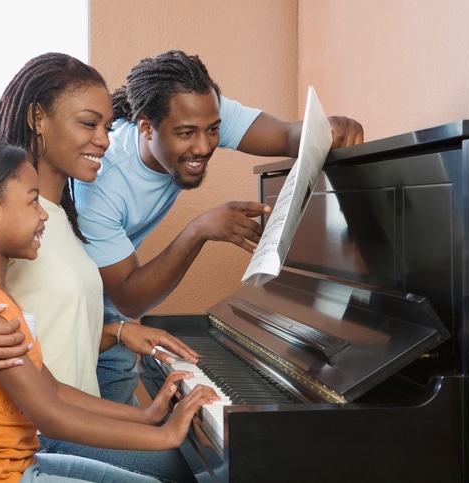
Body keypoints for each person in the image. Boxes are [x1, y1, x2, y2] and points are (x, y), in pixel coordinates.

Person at [0, 53, 203, 482]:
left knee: (189, 459)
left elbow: (52, 348)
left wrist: (119, 334)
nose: (104, 139)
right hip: (43, 429)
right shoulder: (2, 234)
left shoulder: (53, 219)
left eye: (107, 126)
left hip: (57, 412)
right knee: (186, 467)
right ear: (38, 118)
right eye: (89, 124)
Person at [72, 50, 365, 405]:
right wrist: (198, 229)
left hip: (113, 310)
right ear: (146, 126)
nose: (204, 145)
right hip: (86, 315)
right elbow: (129, 297)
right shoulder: (101, 182)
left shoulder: (200, 110)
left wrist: (324, 130)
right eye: (186, 133)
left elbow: (288, 135)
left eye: (213, 130)